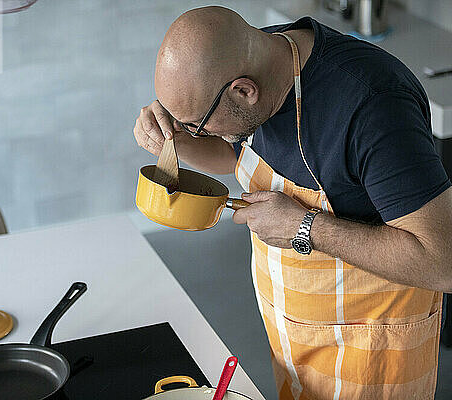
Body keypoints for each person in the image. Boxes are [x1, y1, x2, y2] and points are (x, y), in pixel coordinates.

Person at [133, 6, 452, 400]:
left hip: (371, 351)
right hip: (291, 330)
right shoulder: (265, 56)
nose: (198, 134)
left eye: (198, 124)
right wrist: (175, 139)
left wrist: (306, 229)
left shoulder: (375, 107)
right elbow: (238, 155)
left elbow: (442, 262)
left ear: (244, 91)